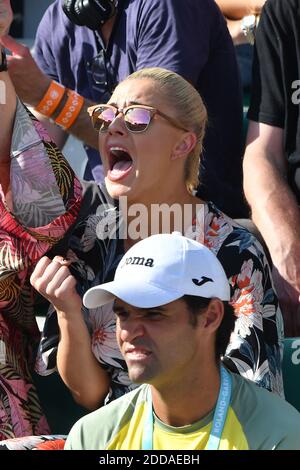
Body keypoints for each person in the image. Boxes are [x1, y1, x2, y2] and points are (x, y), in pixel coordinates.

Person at [0, 1, 282, 438]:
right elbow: (89, 396)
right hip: (108, 436)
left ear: (183, 144)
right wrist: (71, 314)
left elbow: (251, 398)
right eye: (107, 116)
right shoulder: (91, 238)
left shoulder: (235, 252)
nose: (113, 127)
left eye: (137, 118)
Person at [1, 0, 247, 218]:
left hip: (189, 217)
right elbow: (33, 157)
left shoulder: (168, 6)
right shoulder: (57, 20)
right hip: (111, 219)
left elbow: (148, 137)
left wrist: (50, 98)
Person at [65, 233, 300, 451]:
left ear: (210, 317)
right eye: (123, 314)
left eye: (153, 313)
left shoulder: (278, 435)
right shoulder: (91, 438)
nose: (128, 332)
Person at [243, 0, 300, 337]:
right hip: (295, 219)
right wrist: (286, 248)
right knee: (234, 247)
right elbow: (261, 152)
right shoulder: (285, 12)